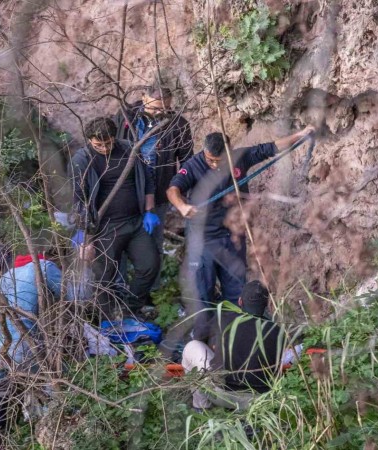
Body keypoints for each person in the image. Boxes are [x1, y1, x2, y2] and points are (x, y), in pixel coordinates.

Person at [167, 127, 314, 319]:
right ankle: (202, 331)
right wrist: (182, 206)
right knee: (202, 291)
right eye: (210, 159)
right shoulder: (193, 165)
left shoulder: (239, 158)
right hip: (202, 238)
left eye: (218, 161)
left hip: (232, 236)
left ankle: (235, 329)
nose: (214, 164)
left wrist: (300, 135)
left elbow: (270, 148)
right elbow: (173, 189)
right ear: (204, 152)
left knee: (236, 289)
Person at [69, 117, 161, 319]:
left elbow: (148, 180)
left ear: (114, 137)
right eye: (98, 145)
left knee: (150, 265)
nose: (104, 148)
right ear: (89, 141)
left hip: (135, 222)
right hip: (104, 227)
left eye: (108, 143)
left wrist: (149, 211)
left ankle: (131, 309)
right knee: (104, 276)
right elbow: (79, 199)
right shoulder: (82, 160)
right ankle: (107, 320)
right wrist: (85, 236)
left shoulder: (129, 149)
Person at [0, 250, 69, 427]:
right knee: (58, 377)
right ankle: (59, 423)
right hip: (20, 343)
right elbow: (75, 296)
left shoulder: (5, 277)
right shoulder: (44, 267)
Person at [114, 84, 193, 289]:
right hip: (125, 192)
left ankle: (151, 290)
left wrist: (181, 191)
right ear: (143, 98)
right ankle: (118, 289)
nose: (159, 113)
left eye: (164, 108)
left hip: (158, 191)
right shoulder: (125, 116)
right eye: (155, 108)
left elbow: (186, 162)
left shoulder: (178, 124)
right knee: (119, 240)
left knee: (153, 243)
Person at [181, 281, 297, 410]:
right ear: (267, 305)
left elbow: (198, 337)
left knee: (192, 346)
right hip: (259, 401)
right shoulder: (277, 331)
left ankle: (201, 408)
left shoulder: (224, 318)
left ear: (240, 301)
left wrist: (218, 344)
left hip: (221, 395)